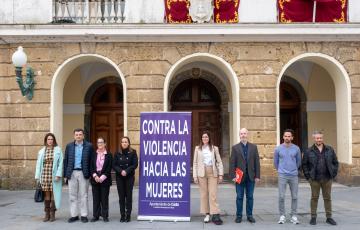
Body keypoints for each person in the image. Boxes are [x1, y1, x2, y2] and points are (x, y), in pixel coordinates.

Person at [302, 131, 339, 226]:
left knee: (327, 198)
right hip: (314, 179)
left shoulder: (329, 149)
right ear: (314, 139)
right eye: (317, 138)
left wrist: (333, 174)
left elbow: (335, 162)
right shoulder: (308, 151)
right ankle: (313, 217)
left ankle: (329, 217)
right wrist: (308, 177)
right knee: (314, 198)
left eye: (320, 138)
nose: (319, 139)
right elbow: (304, 164)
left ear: (322, 138)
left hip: (327, 178)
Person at [63, 128, 95, 223]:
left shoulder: (89, 146)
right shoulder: (69, 146)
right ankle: (74, 215)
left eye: (80, 134)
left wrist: (90, 174)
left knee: (84, 195)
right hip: (71, 173)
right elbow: (66, 161)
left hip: (83, 173)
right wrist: (65, 174)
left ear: (83, 135)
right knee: (72, 195)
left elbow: (92, 161)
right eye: (76, 135)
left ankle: (84, 215)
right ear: (74, 136)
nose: (78, 136)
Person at [229, 128, 260, 223]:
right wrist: (233, 176)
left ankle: (249, 215)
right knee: (239, 196)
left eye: (245, 133)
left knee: (250, 196)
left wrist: (257, 176)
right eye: (241, 134)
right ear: (239, 135)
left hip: (251, 176)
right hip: (239, 176)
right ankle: (239, 216)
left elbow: (257, 162)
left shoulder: (254, 147)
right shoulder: (235, 148)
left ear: (248, 134)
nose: (243, 135)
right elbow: (232, 163)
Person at [193, 131, 224, 225]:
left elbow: (219, 162)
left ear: (209, 138)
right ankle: (207, 214)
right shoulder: (197, 149)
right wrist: (195, 175)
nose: (205, 139)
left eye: (206, 137)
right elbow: (195, 163)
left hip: (212, 173)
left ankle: (215, 214)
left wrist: (221, 174)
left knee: (212, 194)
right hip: (201, 173)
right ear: (201, 139)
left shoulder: (215, 148)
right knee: (204, 195)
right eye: (203, 137)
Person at [274, 129, 301, 224]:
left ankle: (294, 215)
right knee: (281, 196)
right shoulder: (278, 149)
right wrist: (281, 170)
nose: (287, 138)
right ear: (283, 137)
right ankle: (282, 215)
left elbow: (298, 162)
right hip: (282, 175)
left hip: (293, 176)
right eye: (285, 136)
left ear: (292, 137)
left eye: (289, 136)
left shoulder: (296, 148)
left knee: (294, 197)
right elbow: (276, 163)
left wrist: (293, 169)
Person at [35, 133, 63, 222]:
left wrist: (59, 174)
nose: (50, 141)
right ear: (46, 140)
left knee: (53, 194)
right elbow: (38, 165)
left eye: (51, 139)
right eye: (48, 139)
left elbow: (61, 163)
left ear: (54, 140)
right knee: (47, 194)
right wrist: (37, 176)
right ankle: (47, 214)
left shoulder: (58, 150)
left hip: (54, 175)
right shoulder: (42, 151)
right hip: (45, 174)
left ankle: (53, 213)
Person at [113, 136, 138, 222]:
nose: (124, 143)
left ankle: (128, 215)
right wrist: (121, 171)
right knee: (121, 197)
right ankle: (122, 215)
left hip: (129, 177)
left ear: (128, 143)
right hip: (120, 177)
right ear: (121, 143)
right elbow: (114, 165)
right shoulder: (117, 153)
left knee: (129, 196)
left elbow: (135, 164)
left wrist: (126, 171)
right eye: (122, 142)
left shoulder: (133, 152)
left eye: (126, 142)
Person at [90, 137, 113, 222]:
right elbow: (91, 166)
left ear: (105, 144)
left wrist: (102, 177)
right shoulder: (93, 154)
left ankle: (105, 215)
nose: (100, 144)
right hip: (95, 179)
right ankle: (95, 215)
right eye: (98, 142)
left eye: (101, 142)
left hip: (105, 179)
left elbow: (109, 167)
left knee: (104, 198)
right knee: (96, 198)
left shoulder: (109, 155)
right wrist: (95, 176)